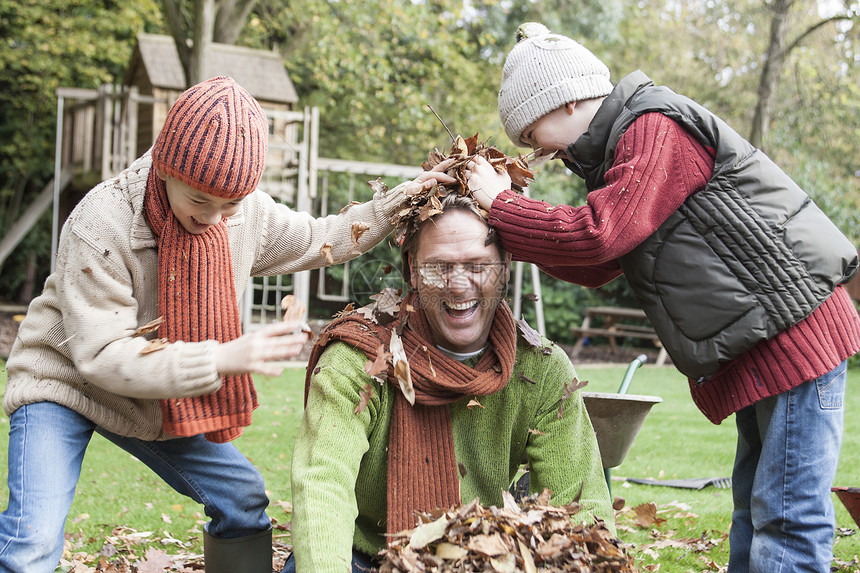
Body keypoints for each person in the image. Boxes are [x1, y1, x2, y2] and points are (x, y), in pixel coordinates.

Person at [0, 76, 455, 573]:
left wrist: (394, 205)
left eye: (230, 204)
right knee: (33, 546)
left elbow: (318, 237)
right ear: (166, 167)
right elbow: (102, 356)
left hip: (155, 396)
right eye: (199, 200)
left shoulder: (245, 216)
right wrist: (221, 357)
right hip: (63, 383)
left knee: (242, 503)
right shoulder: (101, 223)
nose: (214, 217)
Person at [466, 22, 860, 573]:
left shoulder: (653, 126)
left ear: (566, 101)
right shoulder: (621, 149)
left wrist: (504, 207)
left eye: (532, 137)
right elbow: (601, 262)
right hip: (767, 340)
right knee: (754, 505)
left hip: (796, 335)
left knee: (788, 515)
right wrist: (511, 226)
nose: (536, 155)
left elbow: (602, 234)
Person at [283, 192, 614, 572]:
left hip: (474, 556)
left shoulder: (541, 370)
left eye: (477, 265)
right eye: (438, 266)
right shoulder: (358, 356)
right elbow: (323, 487)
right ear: (411, 268)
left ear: (505, 267)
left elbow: (580, 507)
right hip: (360, 555)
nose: (458, 285)